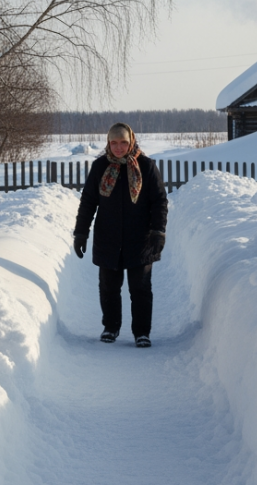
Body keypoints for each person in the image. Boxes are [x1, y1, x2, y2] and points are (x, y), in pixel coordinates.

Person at [73, 123, 168, 348]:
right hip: (108, 237)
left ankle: (142, 332)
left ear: (131, 141)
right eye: (114, 142)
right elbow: (88, 202)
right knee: (109, 287)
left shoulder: (146, 166)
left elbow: (159, 201)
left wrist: (158, 230)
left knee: (140, 288)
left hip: (140, 238)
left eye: (123, 142)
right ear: (108, 143)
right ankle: (111, 327)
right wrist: (81, 233)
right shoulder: (99, 167)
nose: (118, 147)